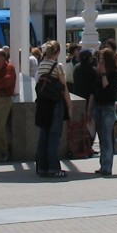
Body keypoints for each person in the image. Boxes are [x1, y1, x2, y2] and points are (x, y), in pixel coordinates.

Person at [33, 40, 72, 178]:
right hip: (56, 104)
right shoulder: (58, 66)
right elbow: (64, 88)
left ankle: (41, 167)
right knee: (54, 136)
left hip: (43, 104)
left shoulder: (41, 65)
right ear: (58, 52)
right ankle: (54, 168)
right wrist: (69, 104)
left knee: (44, 135)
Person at [89, 46, 117, 176]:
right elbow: (93, 91)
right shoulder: (97, 73)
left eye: (103, 59)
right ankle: (103, 164)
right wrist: (89, 109)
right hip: (97, 106)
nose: (100, 62)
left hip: (108, 107)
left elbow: (107, 86)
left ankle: (107, 166)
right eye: (99, 59)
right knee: (101, 137)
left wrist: (103, 73)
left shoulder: (114, 74)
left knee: (107, 137)